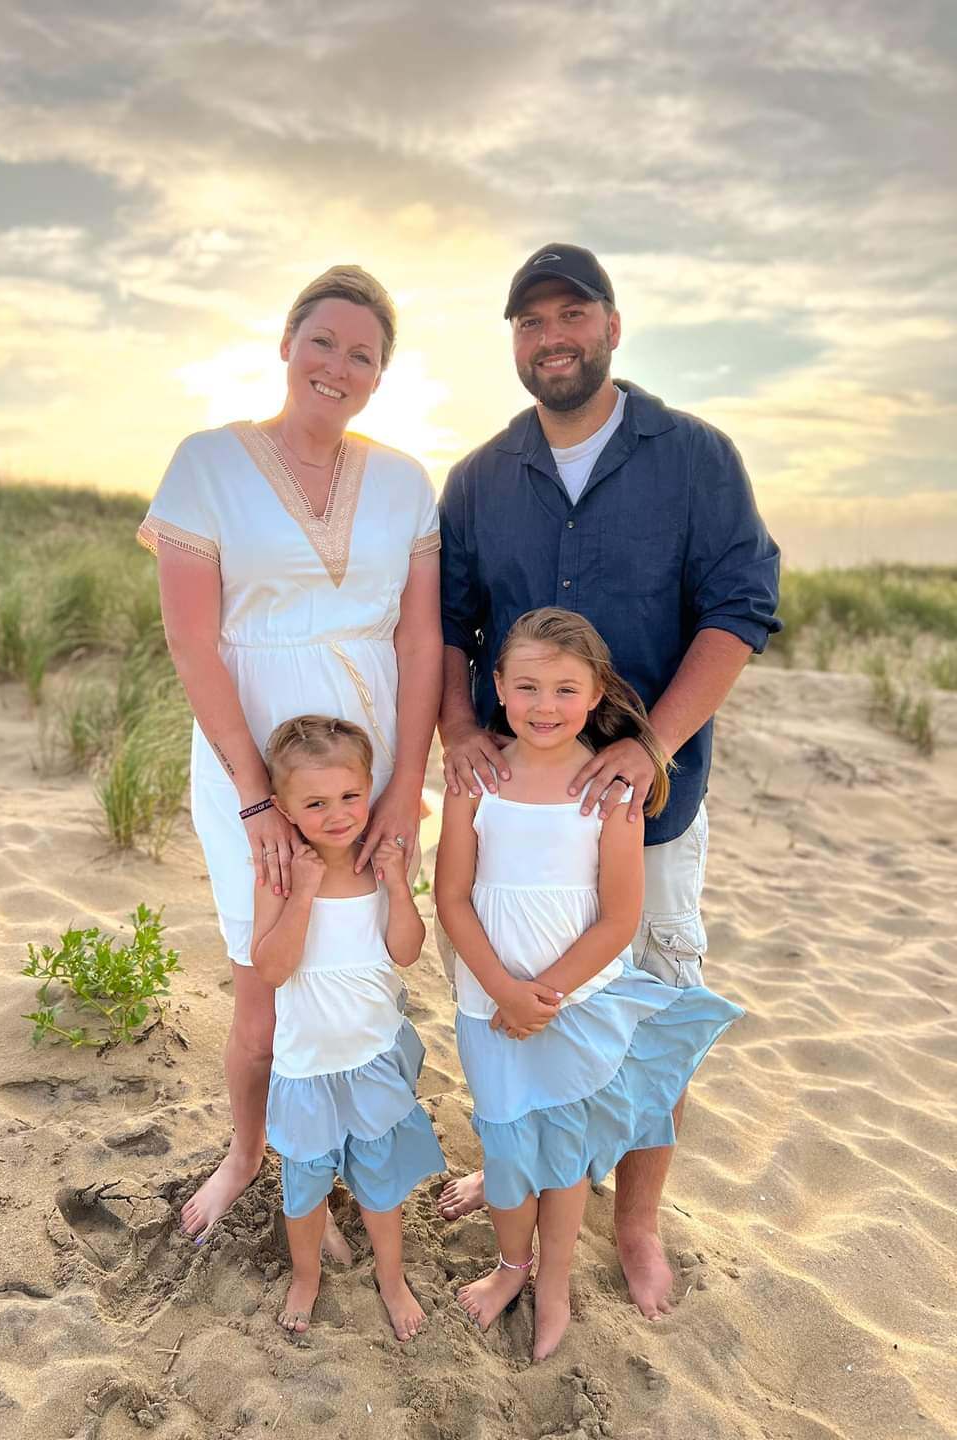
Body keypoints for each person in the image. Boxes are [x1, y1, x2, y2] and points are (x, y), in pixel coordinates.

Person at [436, 243, 780, 1318]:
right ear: (515, 344)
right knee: (520, 1003)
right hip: (519, 822)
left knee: (645, 1009)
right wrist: (458, 727)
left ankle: (634, 1225)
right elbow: (451, 625)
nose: (553, 337)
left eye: (571, 314)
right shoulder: (483, 477)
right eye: (531, 322)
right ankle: (517, 1175)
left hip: (651, 810)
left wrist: (654, 743)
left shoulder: (695, 457)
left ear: (613, 326)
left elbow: (740, 611)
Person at [137, 266, 443, 1252]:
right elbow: (192, 641)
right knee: (264, 985)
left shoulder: (404, 482)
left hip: (371, 771)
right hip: (250, 769)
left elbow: (421, 643)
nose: (338, 365)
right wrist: (256, 801)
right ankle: (247, 1152)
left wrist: (406, 787)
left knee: (360, 976)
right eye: (324, 342)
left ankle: (356, 1156)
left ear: (381, 374)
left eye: (363, 353)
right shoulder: (207, 464)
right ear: (285, 343)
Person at [435, 608, 742, 1360]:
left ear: (597, 691)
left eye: (565, 689)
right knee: (507, 1145)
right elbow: (449, 898)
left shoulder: (610, 790)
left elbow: (620, 916)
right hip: (489, 1003)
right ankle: (512, 1266)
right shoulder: (479, 780)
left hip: (574, 1004)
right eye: (528, 686)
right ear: (497, 687)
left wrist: (545, 994)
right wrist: (504, 991)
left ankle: (558, 1284)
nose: (545, 706)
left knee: (564, 1155)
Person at [254, 715, 444, 1340]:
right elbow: (273, 969)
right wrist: (304, 892)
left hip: (370, 1059)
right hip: (307, 1067)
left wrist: (395, 881)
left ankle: (391, 1278)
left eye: (349, 797)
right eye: (314, 802)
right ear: (283, 807)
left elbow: (408, 951)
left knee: (380, 1181)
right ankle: (305, 1275)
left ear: (369, 790)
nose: (337, 814)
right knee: (305, 1184)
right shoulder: (281, 873)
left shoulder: (378, 865)